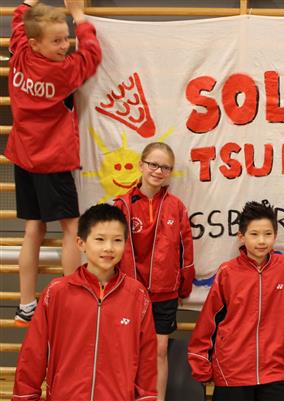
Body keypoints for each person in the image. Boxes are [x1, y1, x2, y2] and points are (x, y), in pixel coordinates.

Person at [6, 0, 102, 326]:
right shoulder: (62, 71)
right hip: (52, 162)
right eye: (57, 41)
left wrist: (28, 3)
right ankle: (72, 298)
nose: (65, 46)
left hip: (23, 156)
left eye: (66, 38)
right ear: (36, 43)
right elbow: (91, 56)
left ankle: (26, 303)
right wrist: (79, 17)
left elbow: (18, 22)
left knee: (33, 228)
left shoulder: (20, 54)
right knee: (72, 228)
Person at [12, 204, 157, 401]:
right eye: (100, 239)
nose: (108, 248)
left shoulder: (137, 296)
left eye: (117, 240)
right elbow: (33, 355)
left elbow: (147, 361)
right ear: (81, 243)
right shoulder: (57, 293)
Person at [187, 200, 284, 401]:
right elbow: (209, 322)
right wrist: (200, 363)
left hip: (275, 372)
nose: (262, 241)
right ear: (241, 236)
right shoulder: (227, 272)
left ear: (275, 235)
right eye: (254, 234)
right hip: (232, 374)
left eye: (268, 234)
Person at [113, 142, 195, 401]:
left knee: (159, 350)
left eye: (165, 167)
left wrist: (184, 286)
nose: (158, 171)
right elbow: (112, 251)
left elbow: (186, 249)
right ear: (141, 165)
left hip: (164, 293)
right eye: (153, 164)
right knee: (129, 351)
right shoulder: (122, 205)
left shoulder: (176, 206)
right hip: (129, 294)